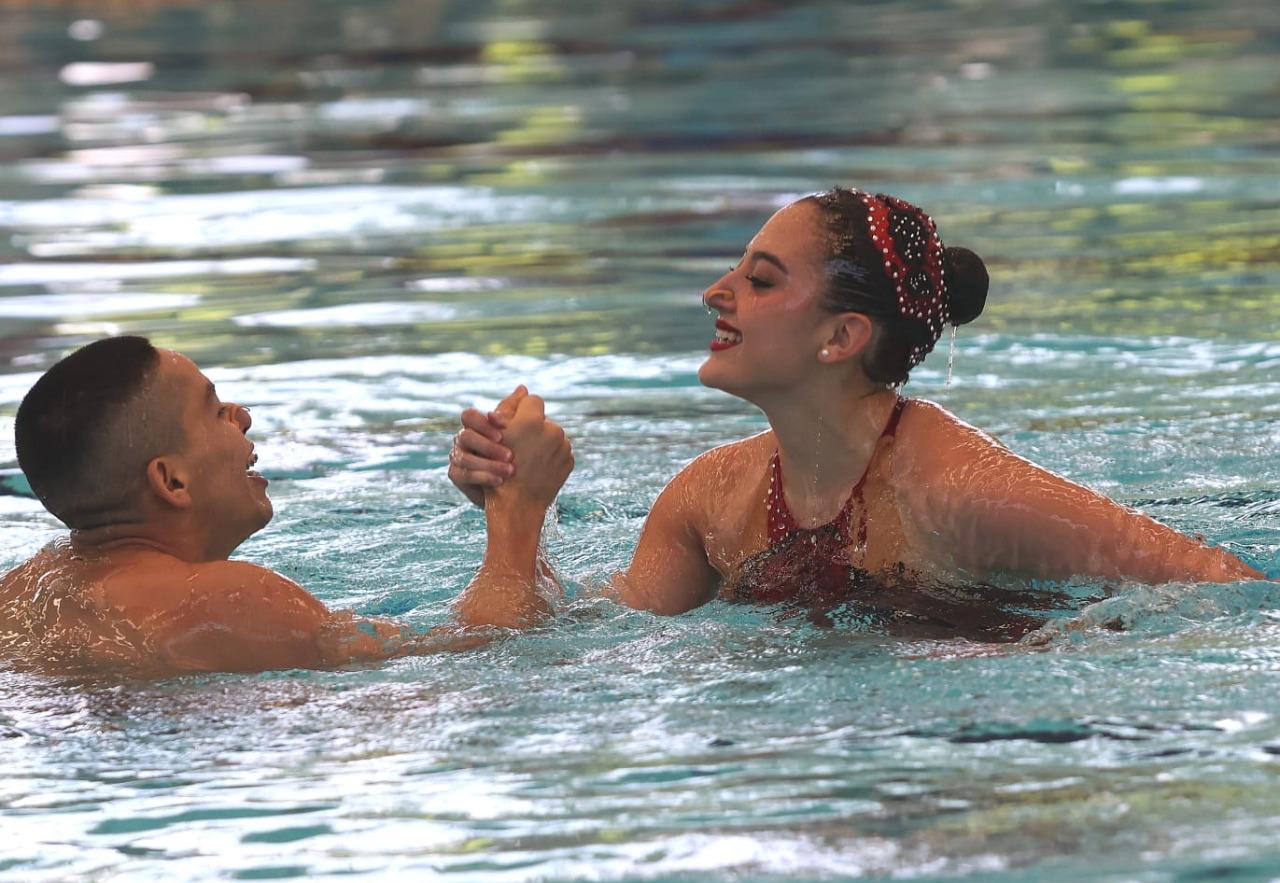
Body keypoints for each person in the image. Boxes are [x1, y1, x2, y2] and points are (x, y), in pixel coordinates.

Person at [448, 188, 1264, 630]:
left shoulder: (959, 491)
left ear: (842, 335)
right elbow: (555, 649)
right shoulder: (707, 501)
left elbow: (1230, 588)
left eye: (761, 280)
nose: (715, 294)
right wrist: (517, 511)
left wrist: (1086, 645)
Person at [0, 336, 572, 674]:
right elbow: (485, 657)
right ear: (171, 481)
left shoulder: (23, 591)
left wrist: (512, 511)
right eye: (214, 408)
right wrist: (519, 506)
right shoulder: (220, 599)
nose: (242, 415)